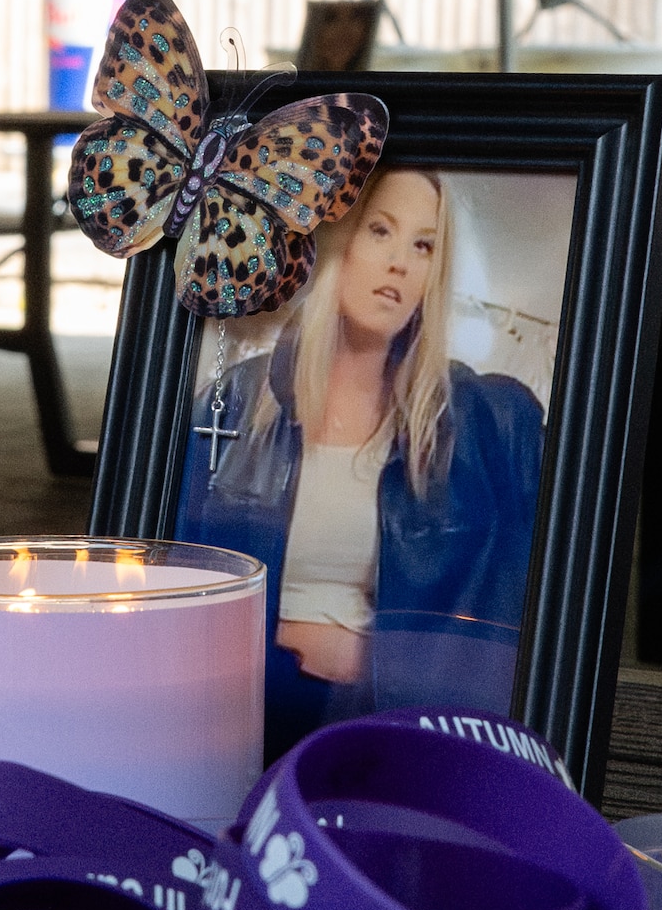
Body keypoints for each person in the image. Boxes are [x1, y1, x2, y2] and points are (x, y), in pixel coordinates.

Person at [163, 168, 549, 749]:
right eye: (380, 231)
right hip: (237, 711)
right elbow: (167, 580)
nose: (400, 262)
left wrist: (373, 660)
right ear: (336, 242)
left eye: (423, 246)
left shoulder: (478, 421)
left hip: (375, 721)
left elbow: (507, 615)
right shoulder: (236, 403)